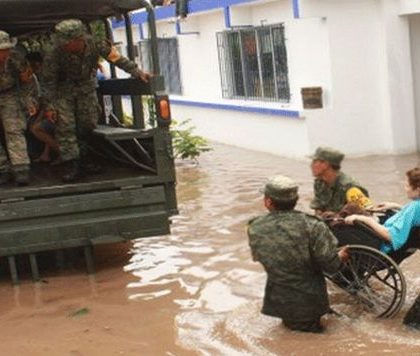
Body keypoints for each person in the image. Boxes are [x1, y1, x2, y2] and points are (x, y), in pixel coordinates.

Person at [42, 19, 151, 182]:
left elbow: (116, 58)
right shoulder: (55, 52)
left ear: (79, 40)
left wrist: (136, 71)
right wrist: (49, 106)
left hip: (86, 89)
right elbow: (48, 81)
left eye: (67, 42)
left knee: (87, 124)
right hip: (63, 91)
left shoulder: (96, 45)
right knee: (65, 127)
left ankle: (85, 160)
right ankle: (72, 165)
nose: (64, 46)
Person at [247, 175, 349, 333]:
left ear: (268, 202)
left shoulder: (255, 227)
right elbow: (331, 266)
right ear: (296, 199)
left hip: (278, 300)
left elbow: (261, 257)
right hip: (310, 302)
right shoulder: (313, 226)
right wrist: (340, 257)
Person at [344, 167, 420, 254]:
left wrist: (364, 219)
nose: (405, 188)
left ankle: (366, 213)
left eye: (407, 185)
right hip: (384, 228)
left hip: (381, 243)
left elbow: (391, 236)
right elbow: (412, 216)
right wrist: (395, 206)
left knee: (349, 212)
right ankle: (367, 211)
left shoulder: (414, 207)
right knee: (353, 210)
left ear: (417, 190)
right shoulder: (417, 206)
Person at [0, 30, 34, 186]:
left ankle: (21, 168)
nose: (4, 53)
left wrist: (28, 101)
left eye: (6, 49)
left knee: (14, 129)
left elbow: (28, 81)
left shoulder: (15, 59)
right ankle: (2, 169)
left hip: (10, 94)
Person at [310, 146, 372, 215]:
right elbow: (318, 208)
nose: (311, 165)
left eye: (315, 162)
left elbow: (368, 212)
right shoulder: (320, 183)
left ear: (325, 165)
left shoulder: (350, 188)